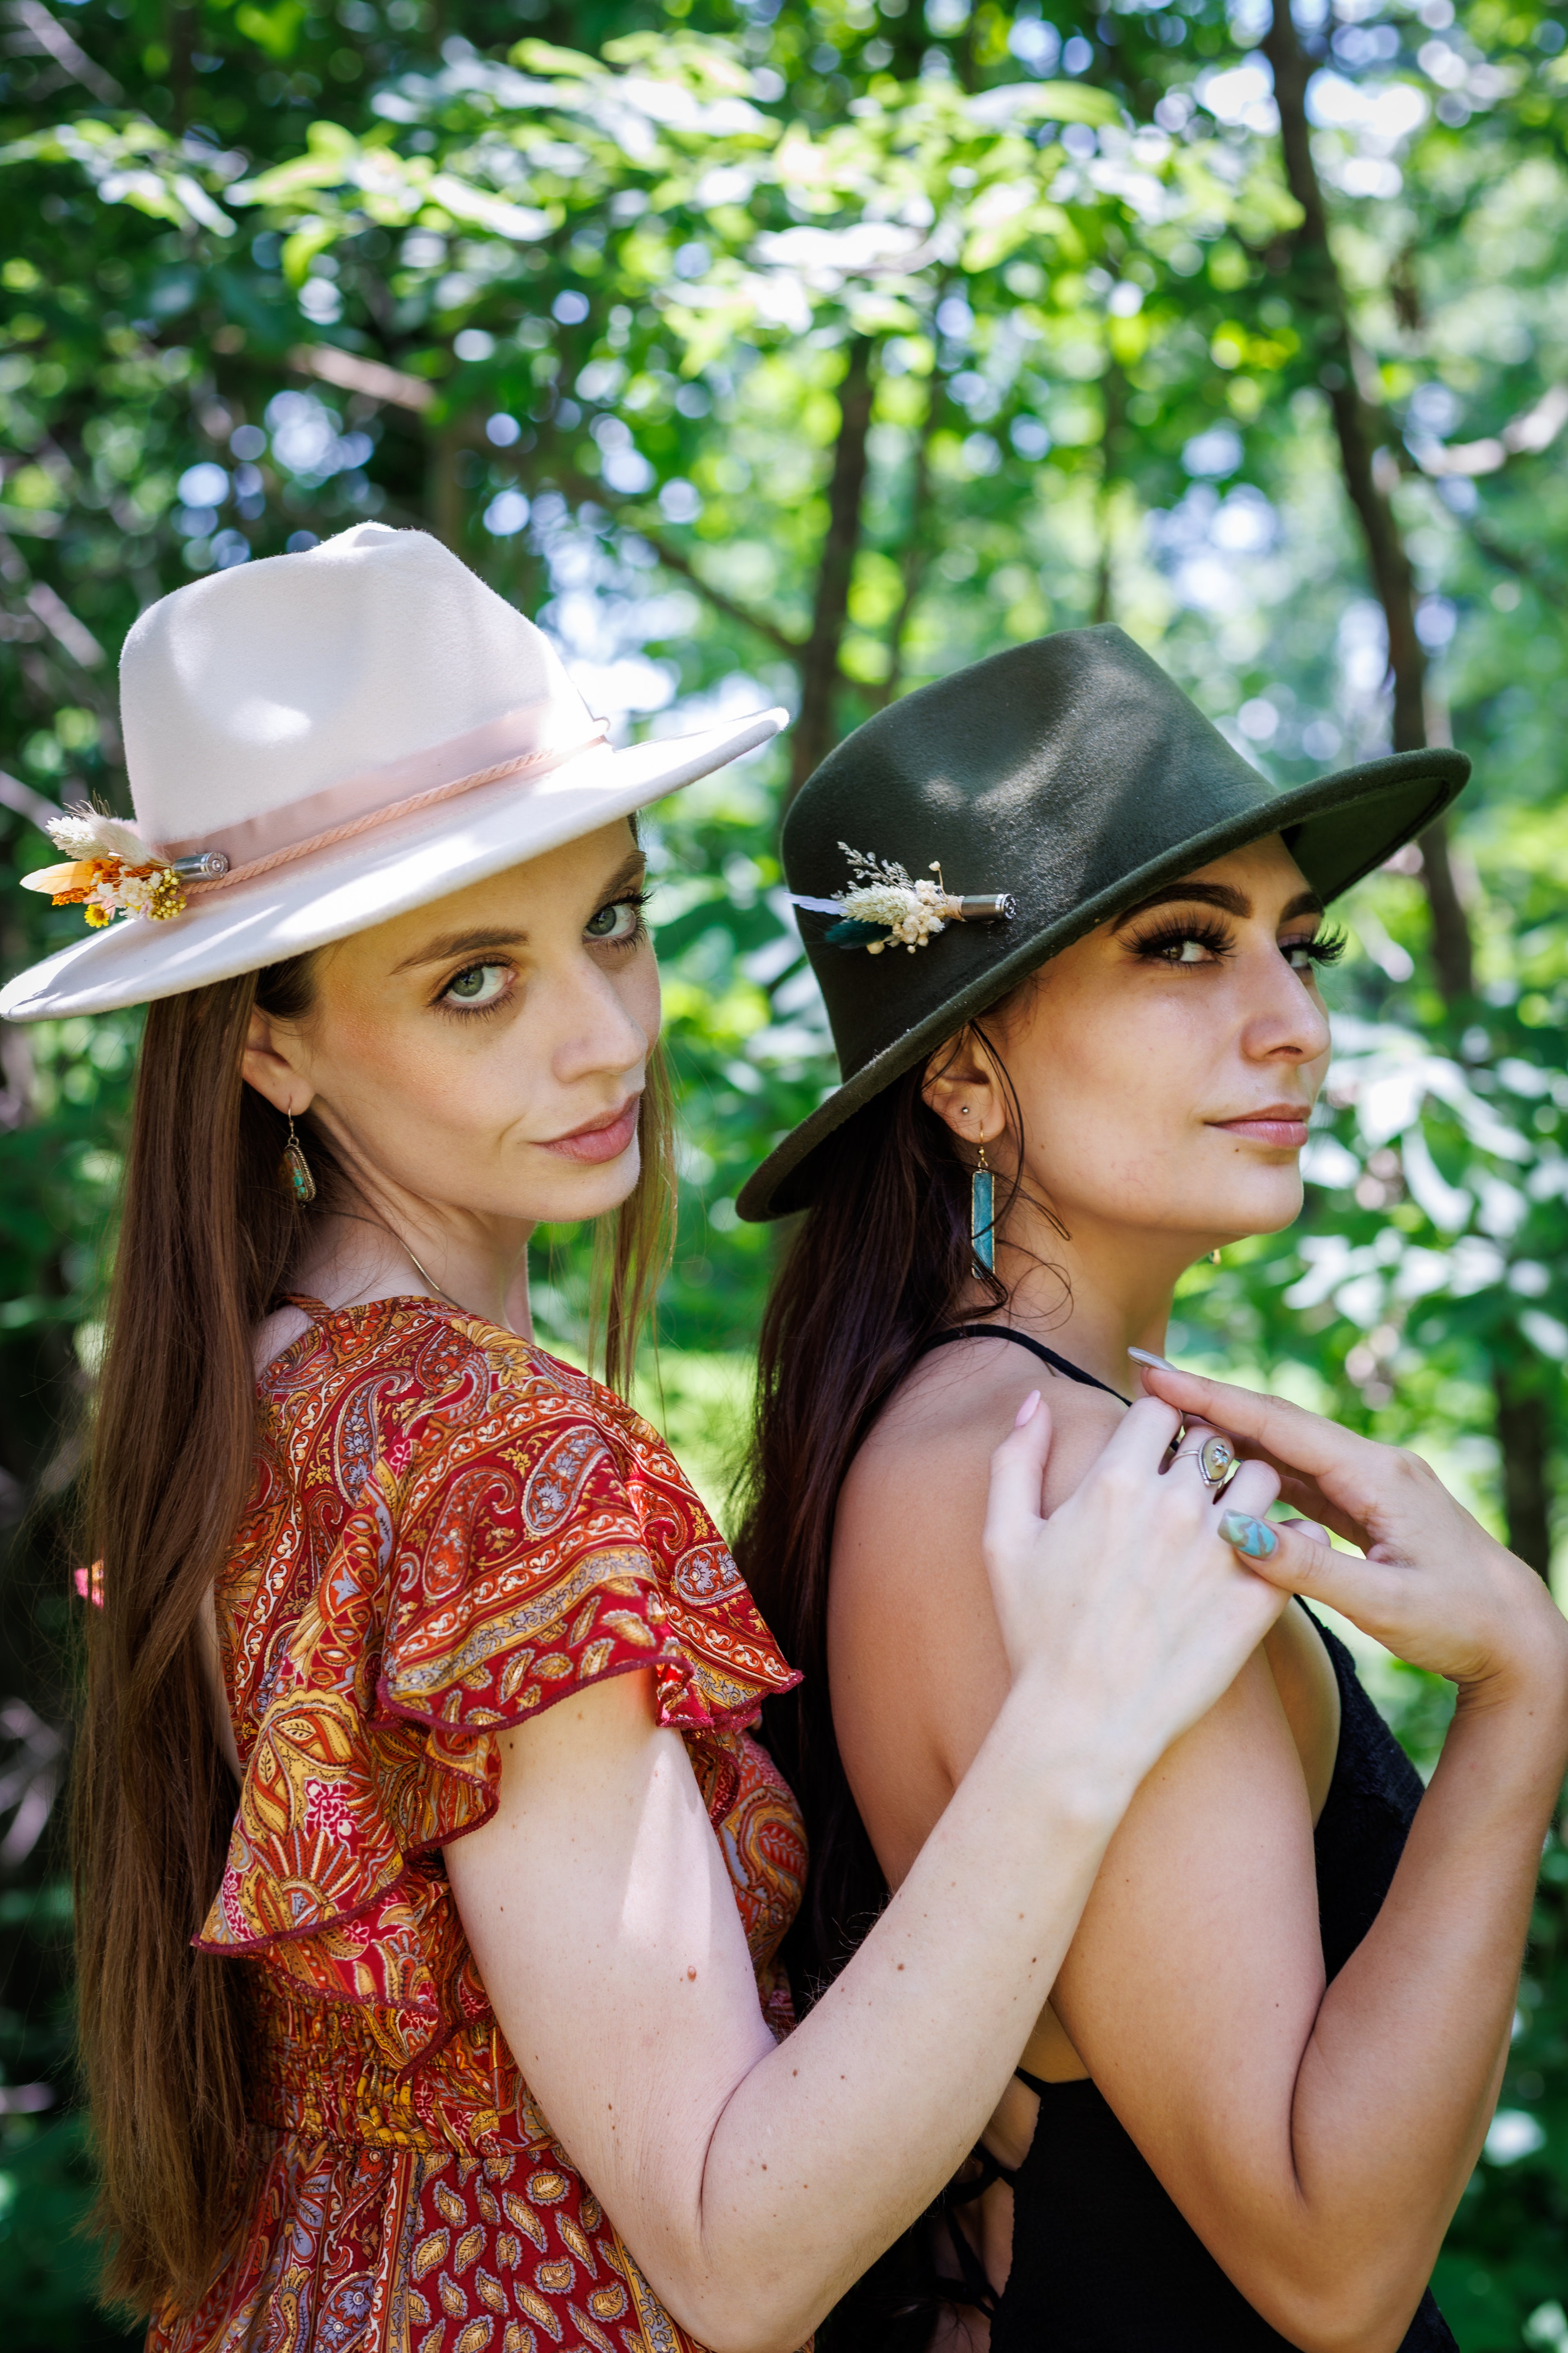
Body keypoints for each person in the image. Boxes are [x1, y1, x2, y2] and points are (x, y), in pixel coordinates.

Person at [3, 527, 1310, 2353]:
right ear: (268, 1051)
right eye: (475, 981)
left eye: (610, 921)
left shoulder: (267, 1393)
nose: (605, 1037)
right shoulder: (491, 1455)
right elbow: (729, 2252)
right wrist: (1078, 1729)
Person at [734, 627, 1568, 2353]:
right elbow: (1329, 2266)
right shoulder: (1064, 1490)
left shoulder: (947, 1439)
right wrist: (1525, 1693)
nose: (1296, 1027)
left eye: (1301, 944)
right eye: (1186, 947)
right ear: (961, 1072)